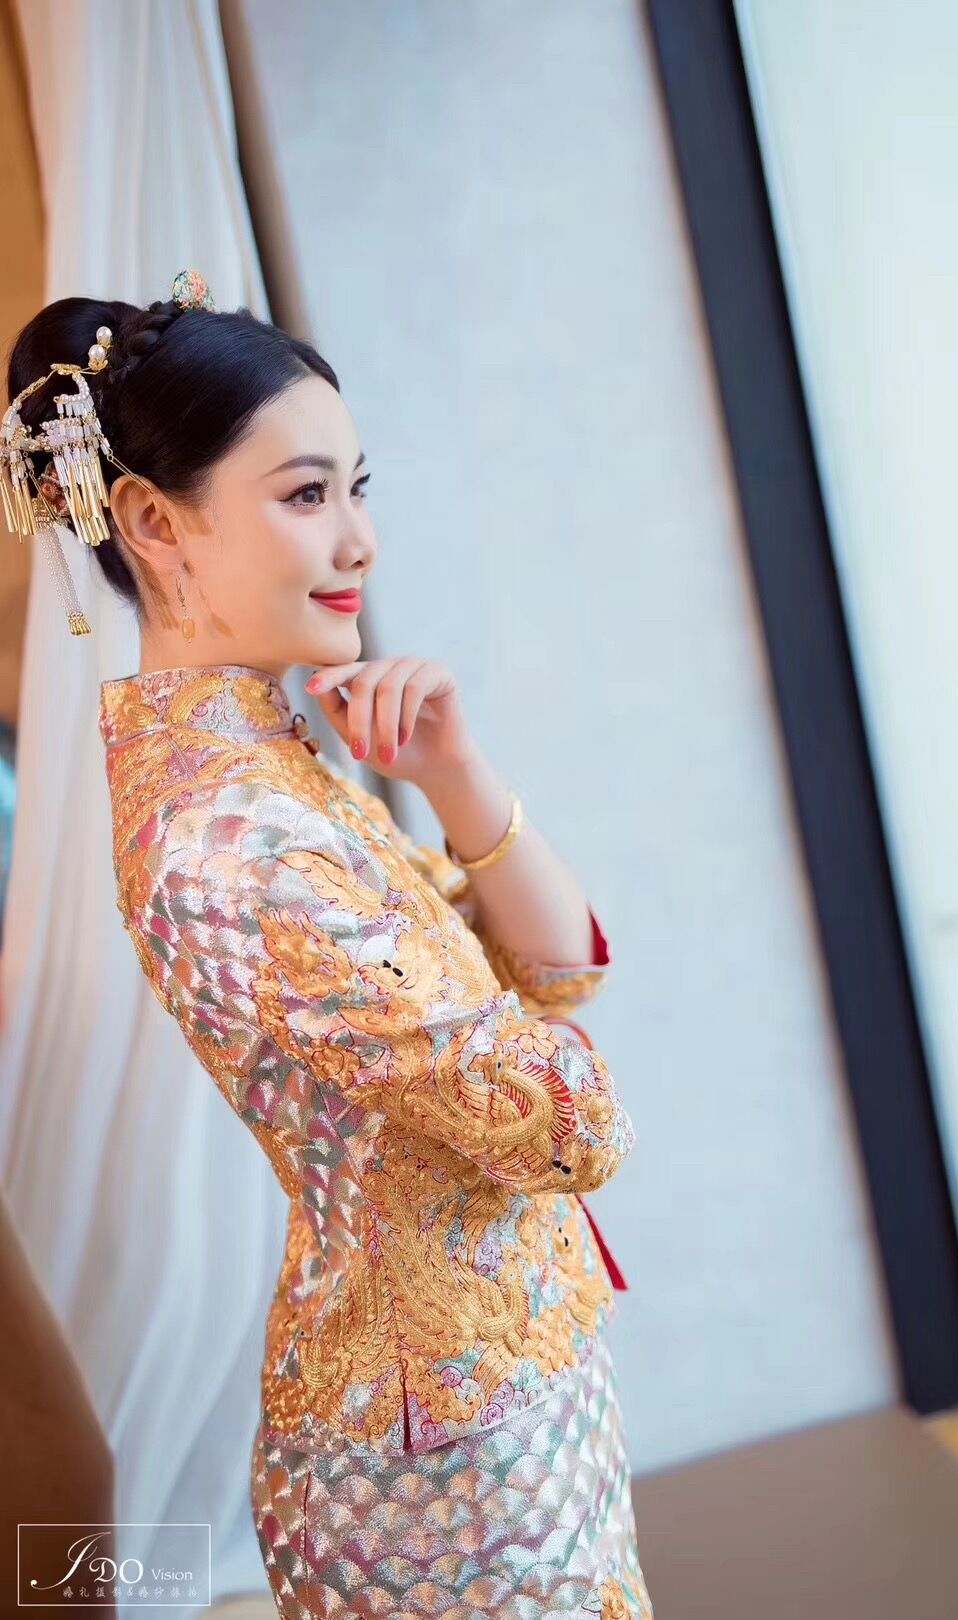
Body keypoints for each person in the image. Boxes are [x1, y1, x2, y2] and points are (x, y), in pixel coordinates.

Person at [2, 274, 651, 1619]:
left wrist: (455, 770)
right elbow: (570, 1127)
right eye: (306, 496)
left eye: (359, 488)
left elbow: (562, 972)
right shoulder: (230, 839)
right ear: (153, 523)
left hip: (498, 1389)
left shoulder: (278, 765)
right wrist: (534, 1053)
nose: (359, 540)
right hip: (440, 1464)